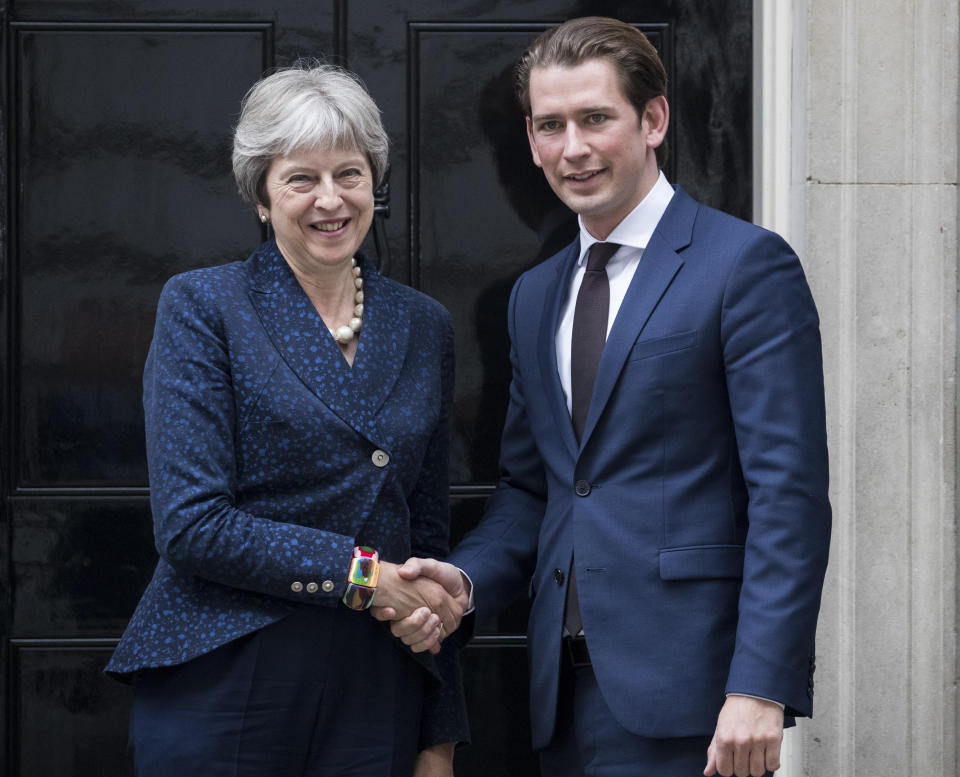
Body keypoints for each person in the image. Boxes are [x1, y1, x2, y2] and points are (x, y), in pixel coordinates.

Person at [380, 16, 831, 777]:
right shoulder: (534, 296)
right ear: (530, 139)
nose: (573, 148)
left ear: (652, 120)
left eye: (595, 118)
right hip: (561, 697)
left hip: (699, 700)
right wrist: (466, 582)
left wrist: (760, 683)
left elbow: (788, 495)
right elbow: (535, 489)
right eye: (551, 125)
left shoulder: (746, 266)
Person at [105, 61, 469, 777]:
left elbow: (425, 541)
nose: (330, 199)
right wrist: (362, 574)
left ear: (374, 183)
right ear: (263, 198)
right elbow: (192, 522)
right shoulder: (205, 306)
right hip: (228, 672)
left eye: (350, 174)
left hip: (376, 685)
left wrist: (440, 733)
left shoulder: (423, 324)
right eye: (301, 178)